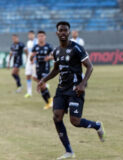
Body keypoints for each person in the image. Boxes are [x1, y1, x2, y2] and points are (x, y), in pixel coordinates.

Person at [37, 21, 105, 159]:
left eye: (65, 30)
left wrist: (82, 84)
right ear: (57, 33)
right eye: (60, 30)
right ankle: (69, 151)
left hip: (75, 90)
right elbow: (56, 70)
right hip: (61, 90)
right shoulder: (56, 51)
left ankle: (97, 125)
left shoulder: (77, 48)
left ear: (69, 32)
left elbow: (90, 67)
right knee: (57, 117)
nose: (63, 32)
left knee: (75, 121)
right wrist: (43, 80)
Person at [30, 30, 53, 109]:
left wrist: (49, 57)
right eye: (39, 36)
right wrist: (31, 58)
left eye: (42, 36)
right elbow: (31, 57)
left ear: (45, 37)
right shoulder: (35, 47)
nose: (41, 37)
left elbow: (54, 56)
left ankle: (50, 101)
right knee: (40, 84)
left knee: (41, 85)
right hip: (38, 68)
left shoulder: (48, 46)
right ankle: (48, 103)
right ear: (37, 37)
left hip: (46, 68)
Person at [24, 30, 38, 98]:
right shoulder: (28, 42)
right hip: (29, 61)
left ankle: (44, 84)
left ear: (34, 35)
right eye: (29, 35)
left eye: (31, 35)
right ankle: (29, 92)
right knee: (27, 75)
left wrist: (34, 59)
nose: (30, 36)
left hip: (34, 61)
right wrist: (26, 53)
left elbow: (37, 52)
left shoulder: (37, 41)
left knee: (34, 77)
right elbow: (29, 53)